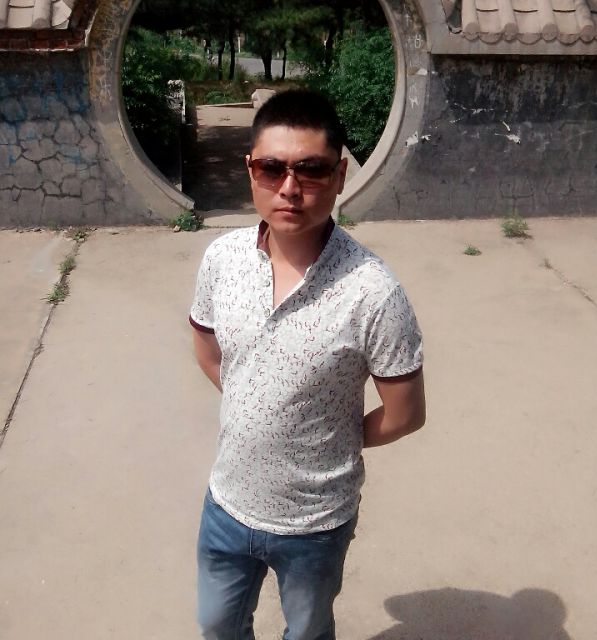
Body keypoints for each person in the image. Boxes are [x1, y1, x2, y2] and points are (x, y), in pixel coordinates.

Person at [189, 89, 425, 640]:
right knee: (217, 625)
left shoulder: (373, 291)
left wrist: (323, 438)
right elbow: (206, 346)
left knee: (307, 632)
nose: (290, 188)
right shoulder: (222, 259)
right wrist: (255, 403)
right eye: (272, 168)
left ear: (340, 175)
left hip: (315, 524)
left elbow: (406, 413)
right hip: (226, 503)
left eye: (311, 170)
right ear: (251, 170)